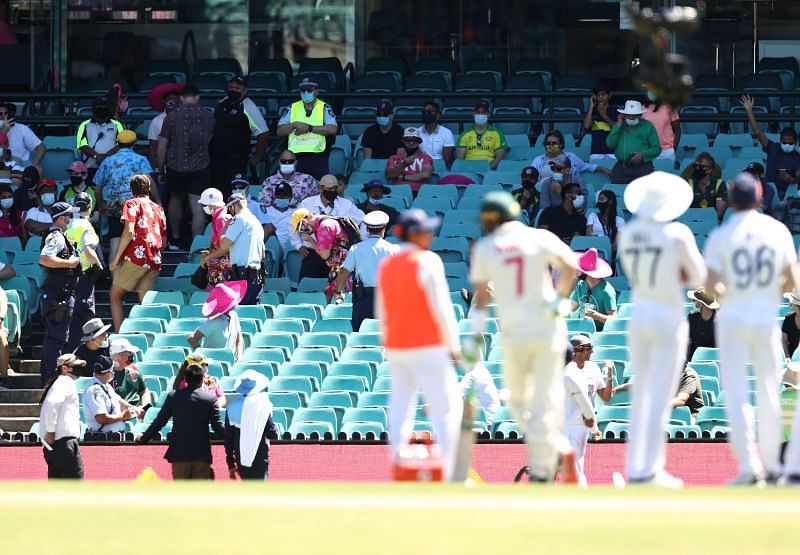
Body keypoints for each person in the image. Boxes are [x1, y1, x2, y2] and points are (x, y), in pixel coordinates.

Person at [469, 192, 579, 482]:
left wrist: (475, 336)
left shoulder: (486, 247)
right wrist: (558, 301)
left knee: (518, 402)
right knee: (544, 398)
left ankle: (546, 463)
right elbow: (571, 265)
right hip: (546, 326)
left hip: (516, 331)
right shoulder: (539, 236)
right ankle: (552, 455)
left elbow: (481, 299)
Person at [705, 172, 800, 485]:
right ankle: (774, 466)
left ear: (732, 201)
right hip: (764, 316)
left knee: (736, 392)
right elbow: (792, 279)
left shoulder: (721, 234)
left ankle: (749, 467)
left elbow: (710, 286)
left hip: (733, 317)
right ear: (760, 199)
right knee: (769, 389)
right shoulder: (775, 230)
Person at [618, 171, 706, 487]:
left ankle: (635, 467)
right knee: (659, 394)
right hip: (667, 315)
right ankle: (651, 470)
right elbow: (697, 276)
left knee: (642, 392)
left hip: (640, 314)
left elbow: (633, 272)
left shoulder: (628, 234)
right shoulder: (677, 233)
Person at [376, 209, 463, 481]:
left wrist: (388, 344)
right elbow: (442, 307)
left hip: (398, 347)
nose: (431, 234)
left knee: (401, 406)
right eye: (426, 230)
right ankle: (452, 472)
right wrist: (454, 345)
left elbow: (383, 310)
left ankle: (397, 466)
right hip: (428, 346)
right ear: (415, 233)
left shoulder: (387, 264)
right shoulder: (427, 260)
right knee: (446, 408)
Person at [137, 362, 225, 480]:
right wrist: (234, 439)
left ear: (186, 379)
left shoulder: (174, 396)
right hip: (201, 454)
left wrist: (144, 438)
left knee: (180, 494)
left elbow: (159, 421)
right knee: (201, 495)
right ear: (202, 379)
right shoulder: (210, 399)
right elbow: (218, 427)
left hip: (179, 453)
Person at [157, 82, 215, 248]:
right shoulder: (208, 116)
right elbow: (209, 139)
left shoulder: (171, 117)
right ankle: (197, 243)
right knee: (197, 204)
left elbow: (162, 145)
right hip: (201, 166)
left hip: (176, 166)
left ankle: (175, 238)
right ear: (197, 97)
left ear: (181, 98)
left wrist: (160, 168)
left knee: (175, 199)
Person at [108, 175, 167, 331]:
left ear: (131, 190)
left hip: (136, 257)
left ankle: (120, 336)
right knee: (146, 304)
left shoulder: (131, 203)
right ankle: (148, 336)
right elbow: (164, 241)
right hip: (154, 259)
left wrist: (116, 258)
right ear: (148, 189)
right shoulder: (158, 209)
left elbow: (128, 231)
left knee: (115, 296)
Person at [93, 130, 155, 258]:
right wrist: (157, 201)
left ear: (118, 143)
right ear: (134, 143)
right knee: (138, 241)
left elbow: (97, 190)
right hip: (136, 207)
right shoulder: (141, 159)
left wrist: (102, 205)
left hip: (114, 205)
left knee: (115, 241)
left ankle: (114, 276)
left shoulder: (107, 161)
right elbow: (149, 183)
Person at [38, 201, 81, 386]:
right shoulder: (55, 236)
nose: (72, 219)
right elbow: (45, 258)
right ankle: (51, 379)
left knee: (56, 337)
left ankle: (49, 378)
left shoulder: (62, 235)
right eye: (69, 216)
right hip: (58, 295)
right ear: (62, 218)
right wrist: (69, 264)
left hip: (61, 294)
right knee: (57, 339)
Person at [334, 211, 399, 331]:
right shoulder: (394, 249)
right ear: (384, 229)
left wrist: (338, 291)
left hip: (363, 297)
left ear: (367, 229)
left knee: (362, 334)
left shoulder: (356, 248)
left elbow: (344, 271)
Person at [291, 174, 365, 280]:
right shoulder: (307, 203)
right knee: (307, 287)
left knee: (333, 290)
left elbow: (363, 221)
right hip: (312, 254)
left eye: (335, 188)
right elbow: (292, 223)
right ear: (320, 188)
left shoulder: (346, 204)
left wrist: (358, 243)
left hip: (336, 255)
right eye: (329, 188)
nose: (333, 191)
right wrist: (298, 245)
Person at [563, 334, 613, 486]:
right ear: (578, 350)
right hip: (566, 426)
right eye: (589, 348)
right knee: (569, 470)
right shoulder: (569, 372)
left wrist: (610, 376)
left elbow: (604, 397)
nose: (592, 351)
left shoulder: (590, 369)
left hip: (578, 426)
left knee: (575, 470)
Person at [200, 193, 264, 305]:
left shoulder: (238, 219)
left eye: (229, 210)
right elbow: (262, 253)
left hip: (243, 276)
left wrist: (224, 229)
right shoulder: (256, 222)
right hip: (257, 277)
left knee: (237, 312)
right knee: (251, 313)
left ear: (232, 206)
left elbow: (224, 246)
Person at [209, 76, 269, 195]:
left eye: (237, 88)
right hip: (216, 159)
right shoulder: (223, 102)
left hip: (235, 160)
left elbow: (263, 134)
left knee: (233, 194)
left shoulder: (248, 107)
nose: (233, 90)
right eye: (231, 87)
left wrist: (257, 157)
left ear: (245, 90)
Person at [275, 77, 339, 180]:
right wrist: (294, 125)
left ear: (317, 91)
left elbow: (332, 129)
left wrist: (309, 128)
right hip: (295, 158)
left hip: (317, 158)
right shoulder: (292, 108)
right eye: (303, 90)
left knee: (318, 190)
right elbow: (280, 131)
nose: (306, 93)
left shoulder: (324, 107)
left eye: (309, 90)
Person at [740, 94, 800, 198]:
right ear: (780, 140)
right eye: (784, 142)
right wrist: (749, 110)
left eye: (790, 143)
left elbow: (799, 177)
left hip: (788, 195)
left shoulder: (798, 157)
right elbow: (757, 132)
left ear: (796, 143)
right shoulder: (773, 148)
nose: (787, 145)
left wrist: (791, 179)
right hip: (767, 192)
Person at [224, 370, 279, 480]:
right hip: (260, 457)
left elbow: (229, 439)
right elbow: (272, 433)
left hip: (241, 459)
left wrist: (230, 463)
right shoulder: (263, 406)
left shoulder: (231, 408)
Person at [64, 193, 103, 351]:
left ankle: (70, 351)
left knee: (73, 318)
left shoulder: (69, 224)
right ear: (90, 207)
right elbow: (88, 250)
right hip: (84, 276)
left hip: (69, 275)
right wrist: (99, 264)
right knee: (86, 316)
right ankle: (88, 351)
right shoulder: (86, 226)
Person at [38, 353, 87, 479]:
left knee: (57, 493)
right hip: (64, 444)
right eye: (74, 366)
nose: (78, 369)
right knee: (74, 491)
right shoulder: (65, 381)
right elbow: (52, 404)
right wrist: (50, 432)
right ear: (64, 369)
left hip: (55, 445)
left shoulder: (58, 383)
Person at [606, 100, 662, 184]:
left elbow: (657, 148)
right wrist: (618, 125)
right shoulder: (619, 125)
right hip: (622, 167)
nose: (632, 117)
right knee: (618, 192)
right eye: (629, 115)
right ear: (624, 115)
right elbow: (609, 144)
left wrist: (642, 154)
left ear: (640, 115)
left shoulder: (648, 126)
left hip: (643, 167)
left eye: (635, 115)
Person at [188, 280, 245, 361]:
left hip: (231, 364)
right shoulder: (213, 322)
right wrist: (203, 358)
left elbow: (239, 340)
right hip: (212, 365)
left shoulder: (234, 316)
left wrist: (239, 360)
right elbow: (191, 338)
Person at [83, 355, 141, 434]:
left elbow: (119, 401)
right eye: (112, 370)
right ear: (109, 373)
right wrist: (123, 416)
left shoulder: (106, 386)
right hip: (102, 438)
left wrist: (132, 408)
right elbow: (101, 418)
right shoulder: (94, 390)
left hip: (113, 436)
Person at [532, 130, 610, 183]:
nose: (551, 145)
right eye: (548, 143)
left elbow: (587, 166)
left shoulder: (571, 157)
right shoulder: (538, 160)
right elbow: (533, 179)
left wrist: (603, 169)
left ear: (561, 144)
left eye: (554, 143)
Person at [76, 97, 124, 181]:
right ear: (93, 110)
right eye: (98, 107)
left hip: (112, 168)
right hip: (90, 169)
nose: (101, 109)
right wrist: (96, 156)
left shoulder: (117, 124)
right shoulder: (84, 125)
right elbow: (82, 145)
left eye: (104, 106)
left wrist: (106, 156)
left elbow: (121, 144)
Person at [569, 248, 617, 331]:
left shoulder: (607, 291)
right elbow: (570, 307)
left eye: (579, 268)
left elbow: (614, 320)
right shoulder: (580, 285)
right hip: (581, 330)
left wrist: (596, 315)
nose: (576, 270)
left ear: (587, 272)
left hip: (600, 334)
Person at [455, 100, 508, 170]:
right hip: (468, 170)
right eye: (478, 112)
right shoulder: (464, 135)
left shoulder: (497, 134)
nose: (480, 115)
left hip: (489, 171)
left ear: (488, 115)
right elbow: (460, 159)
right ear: (473, 114)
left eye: (484, 113)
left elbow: (500, 158)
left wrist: (487, 168)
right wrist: (468, 169)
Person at [197, 187, 231, 287]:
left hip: (222, 267)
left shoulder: (221, 218)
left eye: (205, 204)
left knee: (219, 296)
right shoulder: (220, 216)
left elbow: (224, 247)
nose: (204, 207)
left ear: (211, 205)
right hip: (220, 264)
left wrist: (208, 258)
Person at [0, 102, 46, 174]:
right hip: (1, 167)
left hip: (21, 167)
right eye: (0, 114)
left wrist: (33, 165)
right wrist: (3, 132)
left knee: (38, 169)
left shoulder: (21, 128)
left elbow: (41, 148)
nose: (3, 116)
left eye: (6, 113)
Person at [146, 82, 183, 170]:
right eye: (170, 98)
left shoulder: (185, 118)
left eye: (176, 98)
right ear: (164, 101)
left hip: (183, 165)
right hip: (164, 166)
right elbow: (153, 147)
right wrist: (153, 169)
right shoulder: (156, 121)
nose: (173, 101)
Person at [109, 338, 151, 410]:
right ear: (120, 355)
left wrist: (144, 407)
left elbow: (144, 391)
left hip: (138, 411)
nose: (131, 355)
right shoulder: (107, 375)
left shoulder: (133, 368)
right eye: (129, 352)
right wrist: (133, 410)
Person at [583, 82, 619, 161]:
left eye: (603, 94)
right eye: (597, 95)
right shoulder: (592, 111)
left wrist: (605, 116)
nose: (600, 97)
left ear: (609, 95)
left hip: (613, 152)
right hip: (596, 151)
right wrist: (591, 106)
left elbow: (617, 130)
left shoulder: (616, 111)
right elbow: (586, 126)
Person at [459, 361, 501, 428]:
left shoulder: (473, 374)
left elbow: (456, 395)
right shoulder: (482, 370)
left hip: (486, 423)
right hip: (492, 420)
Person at [688, 152, 727, 221]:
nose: (697, 169)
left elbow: (720, 213)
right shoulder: (690, 183)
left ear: (710, 170)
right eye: (696, 166)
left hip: (712, 223)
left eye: (701, 167)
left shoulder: (719, 184)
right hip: (693, 221)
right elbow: (685, 210)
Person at [642, 93, 681, 162]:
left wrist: (674, 148)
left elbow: (677, 130)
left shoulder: (670, 107)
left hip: (667, 152)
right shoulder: (642, 108)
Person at [417, 100, 455, 167]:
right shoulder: (416, 132)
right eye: (424, 112)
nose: (426, 114)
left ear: (437, 115)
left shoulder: (447, 133)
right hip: (420, 167)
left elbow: (446, 160)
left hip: (440, 167)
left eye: (429, 112)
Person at [262, 181, 296, 252]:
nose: (282, 197)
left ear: (290, 196)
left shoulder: (296, 212)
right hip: (270, 249)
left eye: (285, 195)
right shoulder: (266, 211)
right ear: (275, 196)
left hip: (291, 249)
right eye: (279, 195)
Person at [686, 287, 718, 361]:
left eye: (694, 300)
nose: (693, 302)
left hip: (716, 367)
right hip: (692, 367)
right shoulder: (691, 318)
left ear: (702, 304)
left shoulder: (720, 323)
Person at [782, 292, 800, 358]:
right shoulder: (788, 318)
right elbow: (784, 341)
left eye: (791, 302)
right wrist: (787, 357)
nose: (790, 304)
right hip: (791, 358)